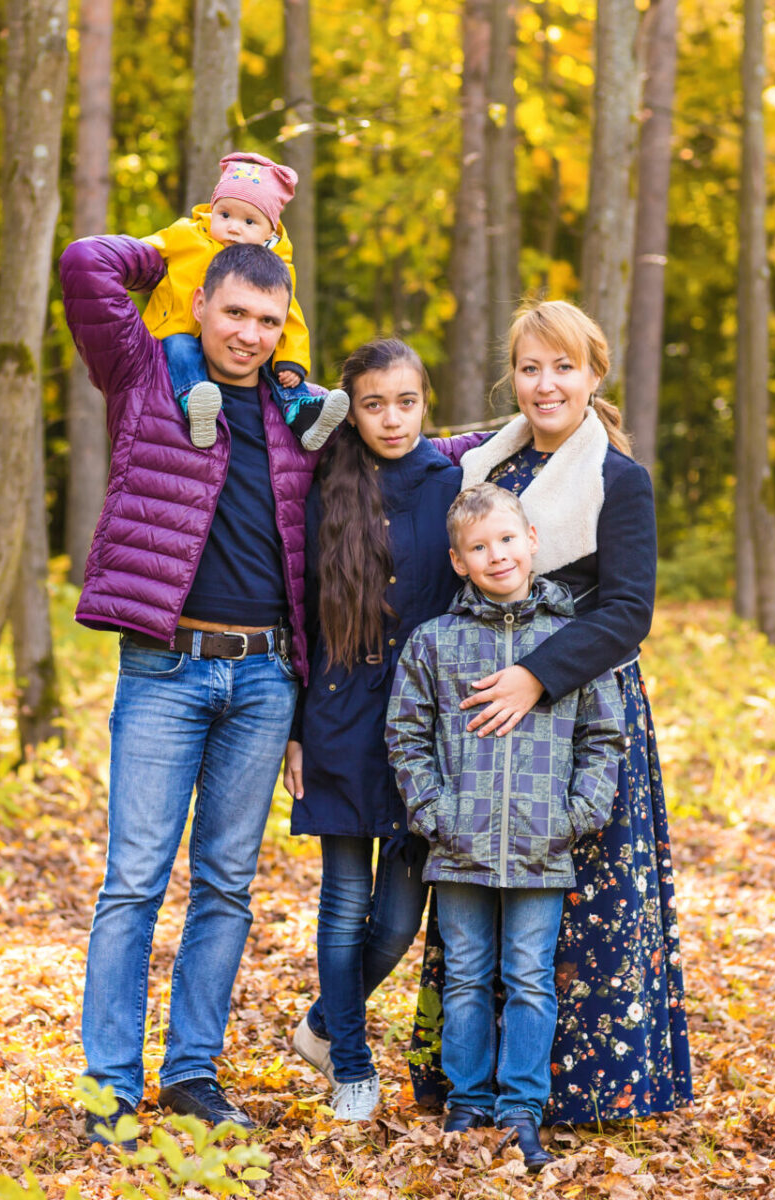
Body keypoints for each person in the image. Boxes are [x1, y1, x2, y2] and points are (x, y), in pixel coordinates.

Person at [59, 233, 320, 1146]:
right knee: (133, 882)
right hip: (165, 668)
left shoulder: (301, 417)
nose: (248, 333)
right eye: (234, 311)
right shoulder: (148, 378)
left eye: (266, 319)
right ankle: (109, 1089)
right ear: (201, 304)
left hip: (263, 676)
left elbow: (403, 449)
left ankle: (192, 1077)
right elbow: (87, 264)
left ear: (285, 328)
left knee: (226, 886)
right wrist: (202, 235)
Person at [407, 299, 695, 1125]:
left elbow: (627, 611)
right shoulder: (485, 476)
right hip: (483, 719)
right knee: (479, 902)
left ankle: (579, 1092)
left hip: (579, 702)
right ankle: (472, 1091)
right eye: (530, 368)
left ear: (593, 374)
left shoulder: (617, 480)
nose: (546, 384)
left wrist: (536, 676)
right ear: (513, 378)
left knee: (584, 899)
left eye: (563, 367)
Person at [387, 483, 626, 1167]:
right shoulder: (435, 643)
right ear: (459, 562)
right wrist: (436, 814)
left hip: (542, 843)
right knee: (464, 975)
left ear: (532, 542)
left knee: (528, 976)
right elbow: (406, 734)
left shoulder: (571, 642)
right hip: (458, 845)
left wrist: (577, 815)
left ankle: (520, 1111)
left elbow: (602, 735)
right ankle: (467, 1105)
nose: (497, 555)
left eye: (507, 539)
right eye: (479, 547)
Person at [279, 339, 463, 1122]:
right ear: (350, 408)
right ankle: (352, 1065)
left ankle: (322, 1024)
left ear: (426, 402)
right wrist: (293, 729)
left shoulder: (452, 483)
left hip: (423, 724)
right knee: (345, 894)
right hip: (342, 714)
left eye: (407, 401)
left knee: (397, 918)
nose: (392, 418)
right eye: (374, 403)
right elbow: (299, 614)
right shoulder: (327, 484)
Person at [140, 150, 348, 451]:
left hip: (237, 351)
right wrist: (121, 262)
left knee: (275, 366)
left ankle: (302, 410)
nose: (234, 227)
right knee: (180, 348)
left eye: (249, 222)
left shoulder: (273, 267)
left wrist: (293, 360)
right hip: (181, 329)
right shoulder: (186, 235)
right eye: (224, 215)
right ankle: (196, 404)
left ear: (269, 232)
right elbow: (145, 249)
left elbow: (289, 318)